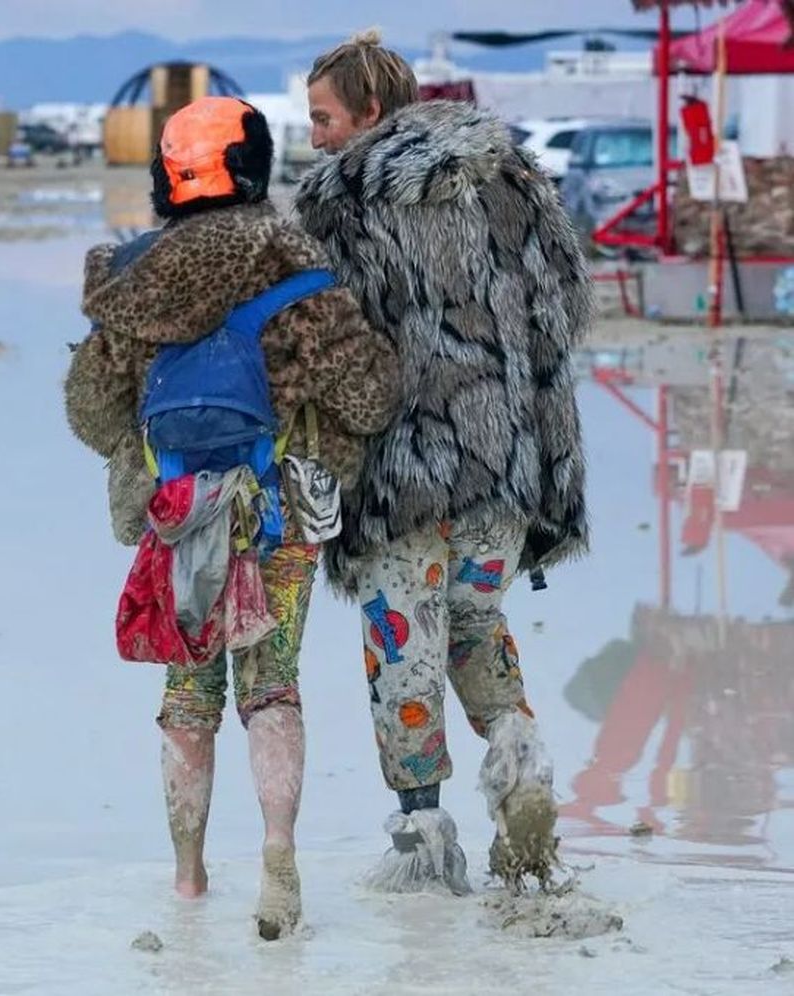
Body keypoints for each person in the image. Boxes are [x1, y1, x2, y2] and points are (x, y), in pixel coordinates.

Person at [64, 97, 398, 937]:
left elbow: (90, 411)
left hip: (174, 516)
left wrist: (157, 457)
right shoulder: (295, 267)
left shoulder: (131, 279)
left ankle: (186, 882)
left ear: (166, 176)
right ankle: (279, 858)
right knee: (272, 681)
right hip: (278, 511)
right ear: (252, 168)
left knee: (188, 692)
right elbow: (369, 394)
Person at [292, 30, 593, 891]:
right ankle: (522, 765)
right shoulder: (515, 178)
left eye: (322, 118)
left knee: (403, 647)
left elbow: (331, 351)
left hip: (402, 472)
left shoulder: (344, 201)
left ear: (371, 112)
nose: (313, 137)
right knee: (475, 626)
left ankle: (424, 836)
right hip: (507, 463)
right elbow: (565, 310)